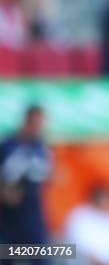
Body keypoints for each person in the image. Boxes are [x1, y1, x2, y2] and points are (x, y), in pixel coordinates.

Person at [0, 105, 52, 246]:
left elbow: (47, 176)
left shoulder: (41, 147)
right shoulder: (8, 145)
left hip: (34, 214)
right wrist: (5, 192)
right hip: (9, 217)